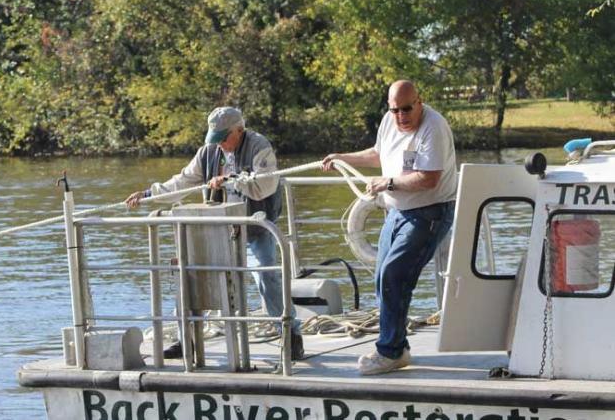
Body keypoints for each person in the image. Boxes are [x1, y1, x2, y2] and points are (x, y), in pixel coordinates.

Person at [125, 106, 303, 360]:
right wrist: (149, 194)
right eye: (215, 139)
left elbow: (265, 185)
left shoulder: (259, 146)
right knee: (189, 276)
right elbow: (184, 181)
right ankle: (186, 339)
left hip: (255, 226)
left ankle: (291, 335)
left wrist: (230, 179)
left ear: (239, 130)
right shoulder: (208, 152)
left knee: (268, 276)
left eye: (224, 138)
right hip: (216, 228)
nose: (220, 145)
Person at [322, 80, 456, 375]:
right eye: (395, 109)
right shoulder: (390, 120)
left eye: (407, 108)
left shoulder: (433, 127)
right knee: (383, 276)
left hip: (429, 213)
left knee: (395, 274)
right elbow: (378, 154)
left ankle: (390, 351)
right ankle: (397, 346)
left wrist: (388, 182)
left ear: (419, 102)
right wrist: (341, 157)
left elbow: (429, 178)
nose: (401, 115)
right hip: (397, 211)